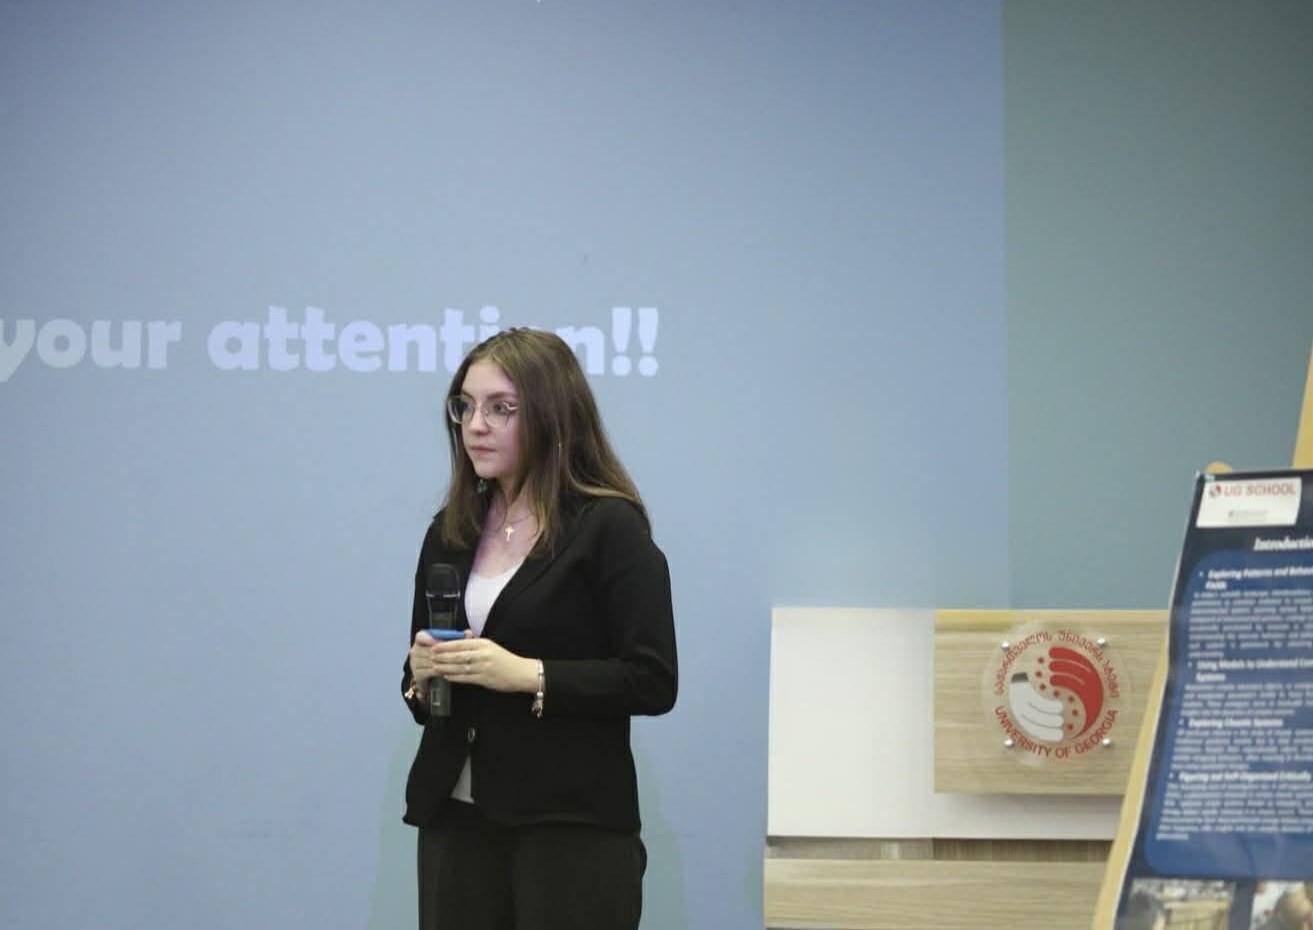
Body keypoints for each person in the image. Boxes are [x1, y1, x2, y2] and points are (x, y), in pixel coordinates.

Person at [399, 328, 678, 930]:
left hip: (569, 826)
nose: (476, 425)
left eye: (501, 408)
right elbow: (417, 681)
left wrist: (529, 675)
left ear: (553, 417)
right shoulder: (450, 530)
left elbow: (652, 679)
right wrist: (419, 677)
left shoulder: (609, 528)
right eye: (465, 406)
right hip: (455, 819)